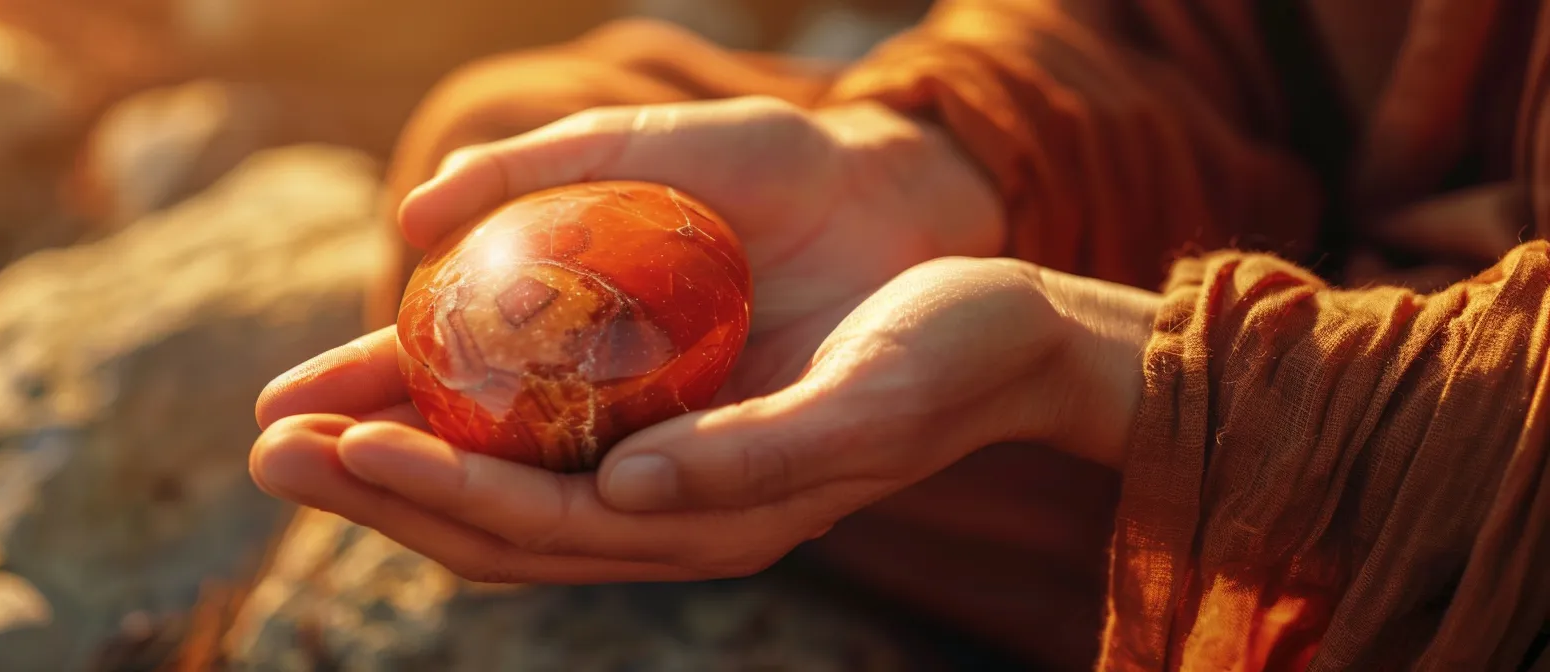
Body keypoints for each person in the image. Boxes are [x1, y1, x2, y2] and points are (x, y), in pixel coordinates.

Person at [247, 1, 1550, 669]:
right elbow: (1186, 29)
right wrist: (933, 155)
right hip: (1312, 240)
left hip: (1472, 467)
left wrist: (1089, 360)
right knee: (517, 118)